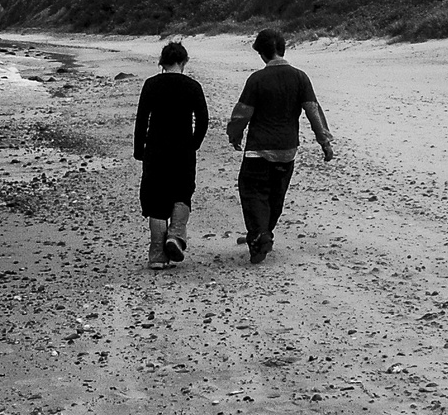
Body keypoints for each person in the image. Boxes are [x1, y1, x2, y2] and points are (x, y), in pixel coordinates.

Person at [226, 28, 334, 264]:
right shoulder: (300, 77)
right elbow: (313, 110)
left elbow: (242, 114)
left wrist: (234, 135)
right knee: (276, 195)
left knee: (253, 193)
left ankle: (260, 235)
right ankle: (264, 233)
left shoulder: (257, 79)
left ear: (262, 54)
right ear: (283, 49)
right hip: (287, 150)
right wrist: (324, 141)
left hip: (259, 150)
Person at [133, 41, 209, 268]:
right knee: (182, 192)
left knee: (155, 199)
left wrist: (139, 150)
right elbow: (203, 121)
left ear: (162, 62)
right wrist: (193, 144)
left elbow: (141, 120)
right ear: (184, 61)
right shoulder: (193, 86)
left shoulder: (151, 85)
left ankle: (157, 255)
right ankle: (175, 236)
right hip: (183, 150)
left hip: (155, 149)